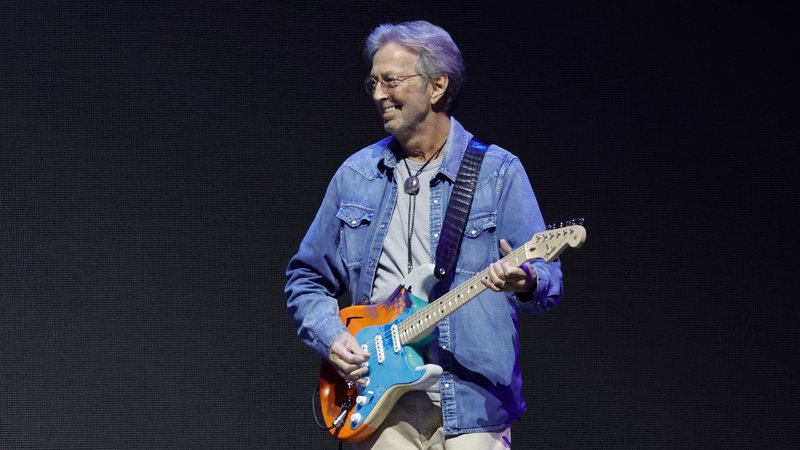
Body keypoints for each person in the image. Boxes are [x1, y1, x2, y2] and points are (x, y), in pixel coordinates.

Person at [286, 20, 563, 450]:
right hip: (380, 402)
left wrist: (527, 281)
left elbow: (549, 278)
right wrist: (332, 335)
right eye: (373, 82)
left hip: (473, 401)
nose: (378, 94)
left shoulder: (498, 173)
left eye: (391, 80)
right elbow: (306, 278)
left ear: (437, 86)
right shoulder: (356, 176)